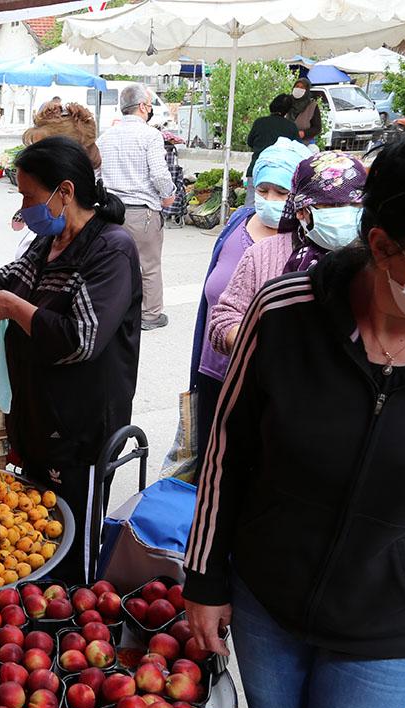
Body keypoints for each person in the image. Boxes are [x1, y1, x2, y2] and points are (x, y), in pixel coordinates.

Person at [184, 135, 405, 708]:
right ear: (383, 245)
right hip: (269, 606)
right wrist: (204, 580)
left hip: (404, 629)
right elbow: (227, 448)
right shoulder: (284, 312)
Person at [0, 136, 140, 582]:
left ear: (63, 192)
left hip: (79, 426)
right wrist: (1, 299)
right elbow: (8, 280)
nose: (24, 207)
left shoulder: (111, 248)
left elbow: (80, 339)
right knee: (32, 535)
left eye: (29, 196)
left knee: (71, 545)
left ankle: (71, 610)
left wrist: (12, 307)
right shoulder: (46, 244)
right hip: (35, 415)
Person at [189, 138, 311, 468]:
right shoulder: (237, 223)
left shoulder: (307, 247)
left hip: (262, 388)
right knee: (207, 468)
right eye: (263, 189)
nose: (270, 200)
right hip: (213, 372)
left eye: (282, 193)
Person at [208, 150, 367, 357]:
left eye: (354, 204)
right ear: (301, 210)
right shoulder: (262, 254)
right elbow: (224, 319)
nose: (345, 212)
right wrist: (269, 348)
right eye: (331, 205)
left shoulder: (378, 259)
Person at [96, 84, 177, 331]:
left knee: (113, 264)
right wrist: (169, 195)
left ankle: (114, 312)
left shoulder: (105, 137)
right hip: (142, 212)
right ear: (143, 107)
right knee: (149, 265)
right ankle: (150, 315)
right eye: (150, 105)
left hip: (110, 212)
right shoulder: (150, 135)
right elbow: (160, 175)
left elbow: (95, 173)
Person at [245, 95, 300, 205]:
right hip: (281, 173)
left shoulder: (259, 122)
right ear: (288, 110)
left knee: (251, 205)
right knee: (277, 208)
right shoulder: (291, 127)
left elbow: (250, 142)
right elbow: (297, 149)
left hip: (257, 168)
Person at [286, 77, 323, 147]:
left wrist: (304, 133)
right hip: (286, 143)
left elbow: (317, 128)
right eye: (297, 86)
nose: (298, 89)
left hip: (305, 144)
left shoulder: (312, 106)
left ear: (307, 90)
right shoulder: (287, 102)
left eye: (302, 87)